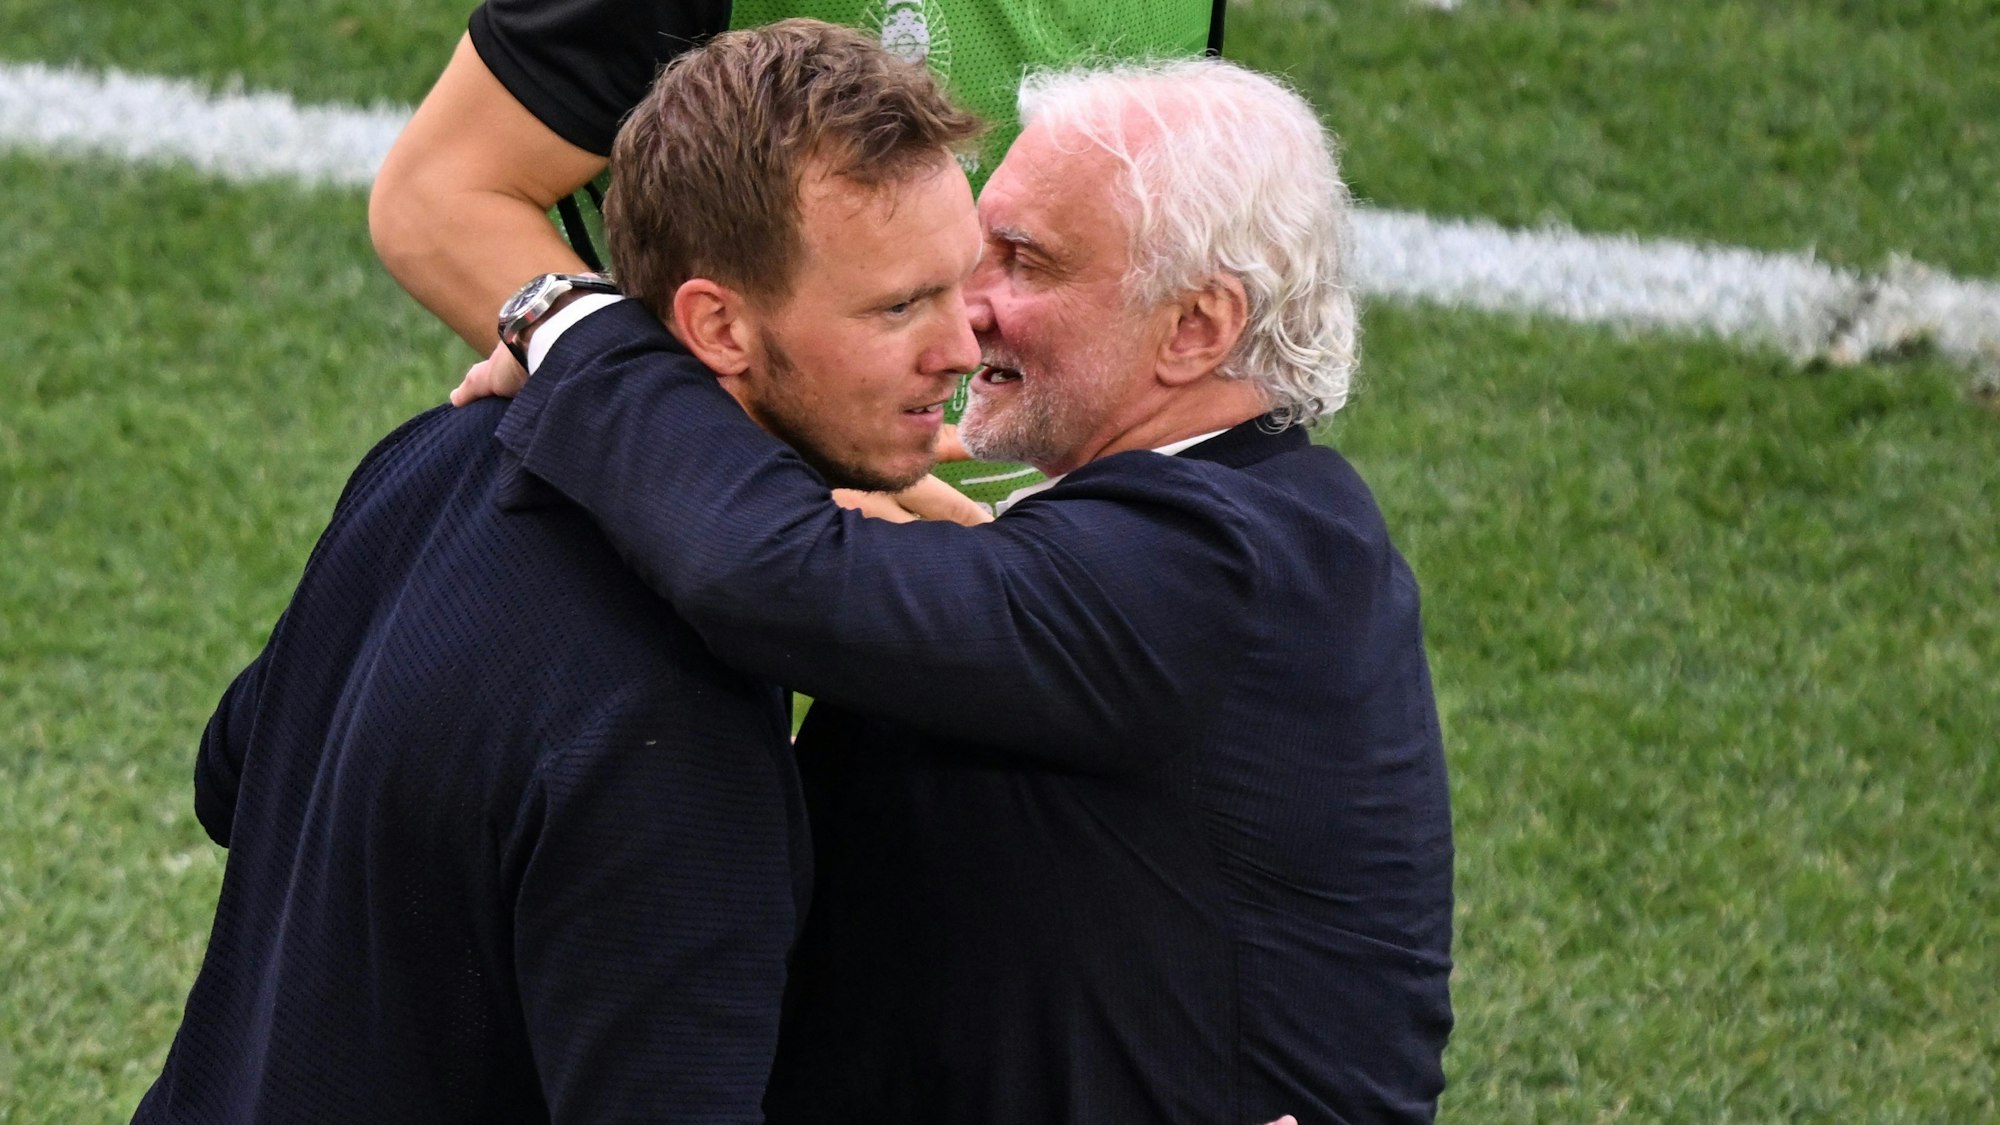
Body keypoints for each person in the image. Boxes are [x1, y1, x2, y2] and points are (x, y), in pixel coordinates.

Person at [472, 55, 1455, 1124]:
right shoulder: (1234, 528)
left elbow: (767, 572)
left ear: (1195, 328)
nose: (966, 313)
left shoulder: (1218, 563)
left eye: (1023, 262)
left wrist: (577, 328)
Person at [132, 22, 985, 1123]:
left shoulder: (438, 451)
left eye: (962, 285)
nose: (962, 350)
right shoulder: (679, 725)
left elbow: (232, 775)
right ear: (718, 325)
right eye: (899, 307)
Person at [371, 0, 1226, 516]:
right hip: (736, 578)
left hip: (1065, 553)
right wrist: (732, 461)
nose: (965, 347)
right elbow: (441, 197)